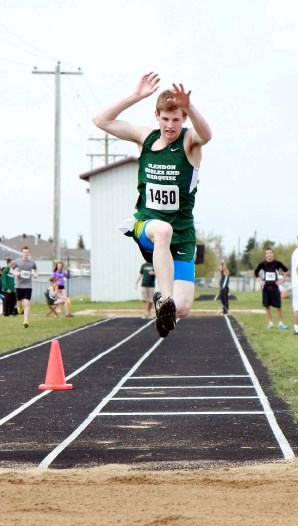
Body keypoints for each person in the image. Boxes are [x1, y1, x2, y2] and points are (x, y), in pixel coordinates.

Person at [92, 72, 212, 337]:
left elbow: (207, 134)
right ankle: (166, 300)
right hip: (148, 225)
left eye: (176, 120)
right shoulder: (145, 138)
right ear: (157, 116)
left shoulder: (190, 143)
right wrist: (135, 96)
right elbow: (100, 120)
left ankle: (167, 302)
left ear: (184, 119)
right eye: (165, 119)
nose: (170, 126)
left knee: (183, 309)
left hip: (182, 235)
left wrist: (190, 106)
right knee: (162, 231)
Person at [254, 248, 289, 330]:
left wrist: (282, 280)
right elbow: (256, 272)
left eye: (270, 253)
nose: (269, 254)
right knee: (267, 306)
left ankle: (280, 323)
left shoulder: (277, 263)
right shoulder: (262, 264)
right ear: (265, 255)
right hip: (266, 288)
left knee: (278, 306)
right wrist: (259, 281)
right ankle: (270, 323)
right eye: (267, 253)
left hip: (275, 287)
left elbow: (286, 271)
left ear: (272, 254)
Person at [10, 246, 38, 328]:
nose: (26, 253)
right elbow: (11, 269)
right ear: (22, 253)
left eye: (27, 252)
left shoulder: (32, 262)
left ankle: (25, 321)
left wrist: (36, 274)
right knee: (19, 302)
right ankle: (19, 307)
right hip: (19, 286)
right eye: (24, 252)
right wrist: (15, 273)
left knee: (27, 303)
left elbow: (36, 270)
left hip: (28, 286)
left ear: (29, 253)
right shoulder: (17, 261)